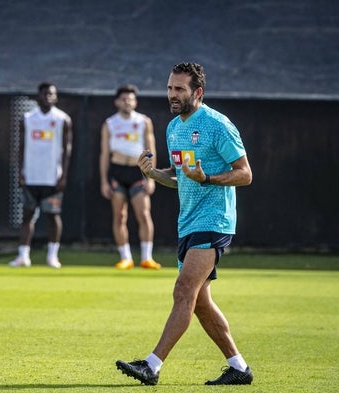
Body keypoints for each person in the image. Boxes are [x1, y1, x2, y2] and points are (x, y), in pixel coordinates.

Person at [116, 62, 254, 385]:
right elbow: (181, 178)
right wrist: (153, 174)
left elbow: (245, 173)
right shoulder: (173, 128)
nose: (172, 94)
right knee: (200, 303)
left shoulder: (218, 125)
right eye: (169, 88)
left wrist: (208, 177)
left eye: (179, 89)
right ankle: (239, 367)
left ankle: (151, 365)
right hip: (187, 223)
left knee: (183, 291)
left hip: (214, 220)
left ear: (198, 92)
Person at [9, 82, 73, 268]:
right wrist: (20, 172)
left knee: (53, 216)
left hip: (52, 177)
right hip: (31, 176)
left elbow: (67, 150)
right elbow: (20, 147)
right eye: (45, 94)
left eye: (51, 94)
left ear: (56, 97)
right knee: (27, 216)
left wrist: (63, 176)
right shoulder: (28, 118)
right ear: (38, 96)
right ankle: (23, 255)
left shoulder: (62, 119)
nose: (48, 97)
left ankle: (52, 255)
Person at [99, 84, 161, 270]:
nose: (127, 102)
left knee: (143, 213)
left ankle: (146, 257)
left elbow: (151, 150)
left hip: (138, 172)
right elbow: (104, 153)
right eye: (124, 99)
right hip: (118, 171)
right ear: (117, 101)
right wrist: (104, 180)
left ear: (135, 101)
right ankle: (125, 257)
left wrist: (152, 176)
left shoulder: (143, 121)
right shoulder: (110, 123)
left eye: (131, 99)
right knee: (119, 216)